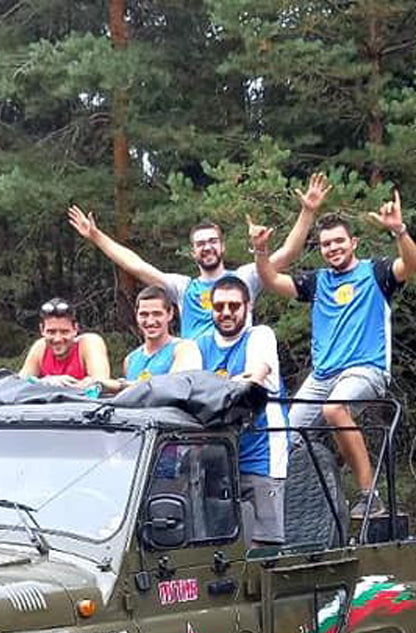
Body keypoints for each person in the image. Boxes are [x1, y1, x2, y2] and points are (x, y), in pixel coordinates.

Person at [250, 191, 416, 517]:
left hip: (365, 369)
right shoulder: (317, 281)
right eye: (326, 244)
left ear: (353, 242)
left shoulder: (376, 272)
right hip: (323, 375)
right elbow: (269, 279)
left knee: (334, 409)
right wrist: (260, 250)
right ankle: (300, 506)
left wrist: (399, 231)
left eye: (339, 241)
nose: (333, 248)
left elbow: (411, 264)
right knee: (283, 436)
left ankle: (370, 496)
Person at [67, 173, 332, 338]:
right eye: (201, 244)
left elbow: (288, 254)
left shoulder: (244, 279)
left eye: (213, 242)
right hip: (195, 374)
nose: (207, 247)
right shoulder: (183, 288)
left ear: (223, 247)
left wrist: (307, 212)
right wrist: (96, 236)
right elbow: (135, 265)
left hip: (235, 369)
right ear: (193, 252)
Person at [187, 275, 288, 545]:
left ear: (248, 306)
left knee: (263, 545)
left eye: (234, 306)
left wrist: (213, 388)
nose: (226, 313)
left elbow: (255, 374)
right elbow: (188, 385)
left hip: (260, 456)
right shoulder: (200, 344)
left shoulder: (260, 335)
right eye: (219, 307)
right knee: (216, 544)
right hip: (216, 458)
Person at [97, 286, 201, 392]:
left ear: (170, 314)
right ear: (136, 316)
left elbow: (177, 386)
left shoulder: (185, 348)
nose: (150, 321)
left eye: (157, 314)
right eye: (144, 315)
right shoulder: (131, 360)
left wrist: (120, 385)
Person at [18, 297, 110, 388]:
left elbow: (101, 382)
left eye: (64, 332)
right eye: (51, 332)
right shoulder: (41, 348)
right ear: (42, 330)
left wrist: (70, 385)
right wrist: (46, 381)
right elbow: (18, 384)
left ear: (75, 329)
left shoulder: (89, 343)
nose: (58, 339)